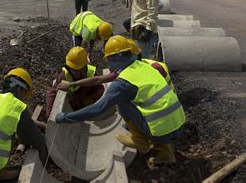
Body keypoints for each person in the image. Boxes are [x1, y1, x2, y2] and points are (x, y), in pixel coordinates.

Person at [55, 36, 185, 168]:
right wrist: (72, 84)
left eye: (108, 59)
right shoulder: (144, 66)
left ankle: (140, 141)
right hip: (179, 125)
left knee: (122, 103)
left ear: (112, 58)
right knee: (144, 105)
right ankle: (166, 153)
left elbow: (96, 109)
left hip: (162, 132)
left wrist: (65, 117)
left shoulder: (123, 83)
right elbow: (97, 80)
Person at [58, 36, 174, 94]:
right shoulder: (130, 67)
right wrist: (71, 84)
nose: (110, 63)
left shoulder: (155, 68)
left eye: (112, 59)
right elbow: (98, 80)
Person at [46, 47, 104, 118]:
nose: (73, 71)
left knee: (99, 91)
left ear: (84, 67)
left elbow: (82, 94)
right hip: (72, 96)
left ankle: (83, 108)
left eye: (76, 69)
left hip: (84, 96)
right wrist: (50, 113)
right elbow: (52, 93)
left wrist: (76, 106)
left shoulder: (90, 74)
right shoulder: (64, 75)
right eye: (71, 68)